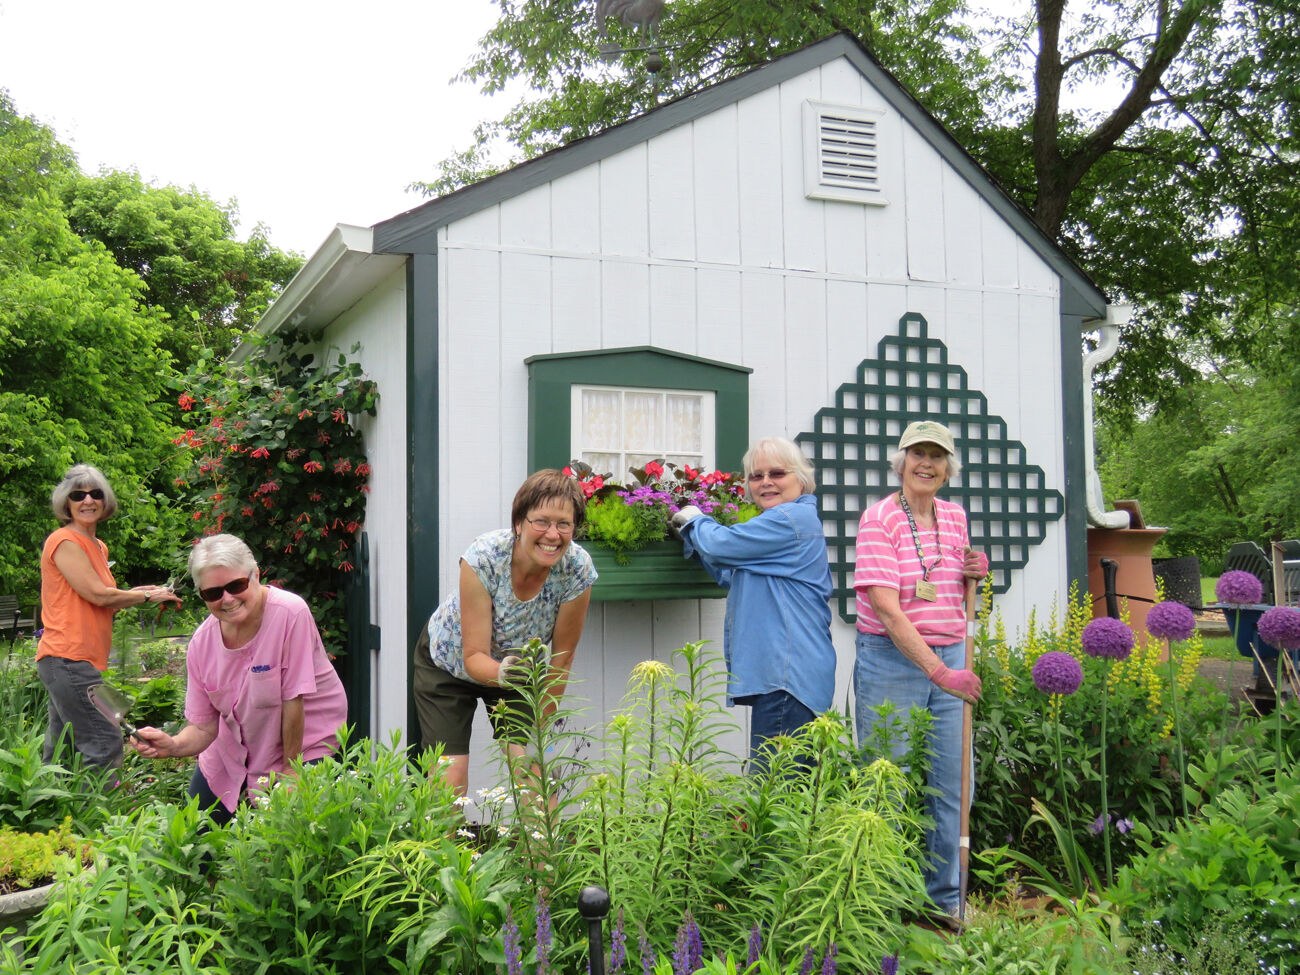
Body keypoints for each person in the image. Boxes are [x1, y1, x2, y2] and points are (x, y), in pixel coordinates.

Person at [853, 419, 989, 921]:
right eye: (918, 454)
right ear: (901, 462)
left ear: (948, 468)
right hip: (892, 660)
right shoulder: (879, 519)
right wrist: (939, 673)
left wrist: (975, 571)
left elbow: (952, 584)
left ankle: (944, 902)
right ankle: (880, 905)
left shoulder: (954, 517)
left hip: (951, 653)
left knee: (954, 783)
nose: (926, 464)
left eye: (936, 456)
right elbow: (887, 609)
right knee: (888, 782)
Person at [131, 534, 347, 824]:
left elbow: (293, 701)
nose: (227, 599)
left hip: (303, 745)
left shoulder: (289, 613)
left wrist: (292, 771)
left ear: (255, 575)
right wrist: (172, 745)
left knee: (288, 838)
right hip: (234, 749)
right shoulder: (201, 645)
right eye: (213, 593)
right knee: (195, 833)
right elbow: (204, 727)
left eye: (236, 586)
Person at [414, 469, 596, 796]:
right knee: (450, 776)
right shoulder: (484, 557)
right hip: (450, 664)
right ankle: (444, 831)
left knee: (532, 771)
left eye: (564, 524)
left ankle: (544, 833)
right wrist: (504, 673)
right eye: (541, 521)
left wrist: (541, 726)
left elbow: (562, 658)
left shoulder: (577, 569)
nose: (552, 534)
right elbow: (474, 656)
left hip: (519, 670)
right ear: (518, 523)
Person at [671, 437, 836, 770]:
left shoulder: (791, 519)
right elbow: (730, 573)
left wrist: (694, 521)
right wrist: (694, 540)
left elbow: (720, 546)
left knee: (772, 788)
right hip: (787, 678)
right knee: (785, 788)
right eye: (756, 476)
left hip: (788, 678)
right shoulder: (781, 525)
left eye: (777, 473)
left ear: (801, 479)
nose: (766, 482)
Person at [36, 464, 181, 773]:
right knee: (104, 741)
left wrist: (139, 592)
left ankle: (51, 802)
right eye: (78, 495)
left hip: (75, 660)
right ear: (66, 503)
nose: (88, 500)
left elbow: (99, 602)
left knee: (63, 749)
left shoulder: (98, 547)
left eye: (96, 494)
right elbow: (99, 595)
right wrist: (144, 597)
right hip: (68, 657)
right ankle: (101, 805)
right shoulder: (65, 541)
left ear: (106, 500)